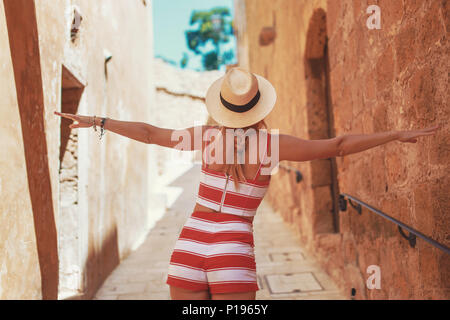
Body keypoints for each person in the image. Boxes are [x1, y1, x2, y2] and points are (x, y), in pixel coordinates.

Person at [55, 67, 440, 300]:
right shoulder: (272, 145)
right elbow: (338, 146)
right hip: (232, 251)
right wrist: (395, 134)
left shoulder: (205, 138)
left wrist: (97, 121)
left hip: (189, 247)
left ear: (222, 106)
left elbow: (149, 132)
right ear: (257, 106)